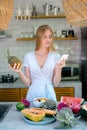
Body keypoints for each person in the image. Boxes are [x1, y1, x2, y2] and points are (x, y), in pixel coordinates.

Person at [9, 25, 65, 103]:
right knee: (32, 114)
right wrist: (19, 72)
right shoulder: (28, 56)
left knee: (49, 114)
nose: (48, 39)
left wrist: (59, 69)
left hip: (49, 95)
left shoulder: (55, 56)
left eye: (50, 37)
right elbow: (28, 83)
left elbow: (56, 83)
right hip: (33, 95)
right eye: (45, 37)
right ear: (39, 38)